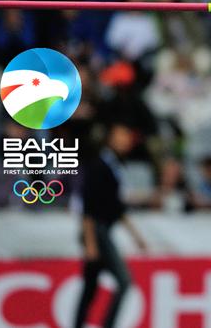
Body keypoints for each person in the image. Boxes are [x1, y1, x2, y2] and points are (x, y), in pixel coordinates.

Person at [74, 123, 148, 328]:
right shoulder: (99, 166)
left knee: (90, 287)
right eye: (121, 135)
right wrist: (90, 243)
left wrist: (136, 236)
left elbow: (117, 208)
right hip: (97, 232)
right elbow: (88, 207)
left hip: (103, 230)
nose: (125, 140)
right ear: (110, 138)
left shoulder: (115, 167)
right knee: (123, 281)